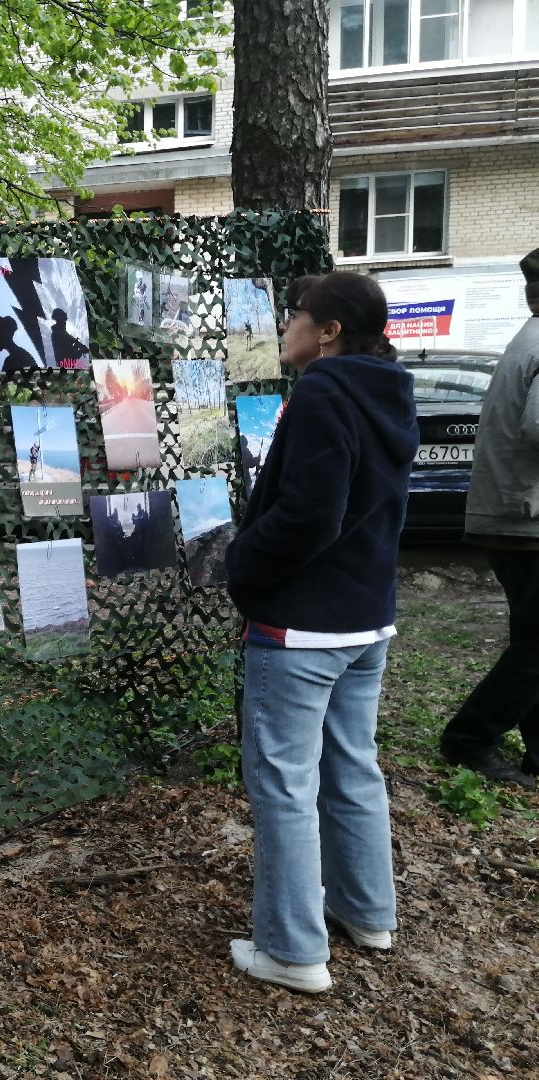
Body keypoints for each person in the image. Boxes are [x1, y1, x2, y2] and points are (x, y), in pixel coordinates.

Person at [224, 271, 419, 993]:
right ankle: (368, 913)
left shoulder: (324, 393)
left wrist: (243, 567)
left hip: (304, 623)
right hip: (366, 618)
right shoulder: (389, 390)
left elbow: (310, 515)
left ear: (329, 331)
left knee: (281, 784)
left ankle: (293, 950)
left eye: (296, 315)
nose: (286, 326)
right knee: (352, 767)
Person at [438, 250, 539, 790]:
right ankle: (470, 738)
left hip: (514, 514)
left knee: (534, 640)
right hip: (527, 519)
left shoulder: (528, 336)